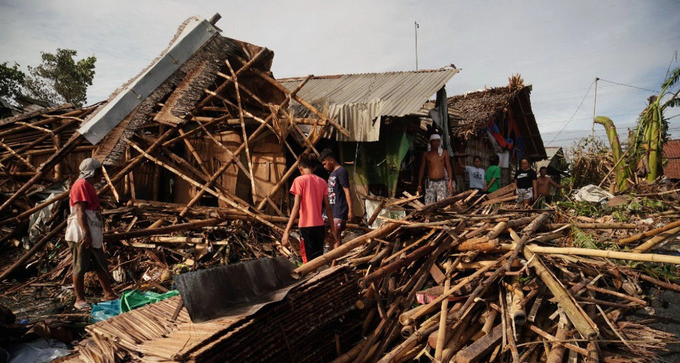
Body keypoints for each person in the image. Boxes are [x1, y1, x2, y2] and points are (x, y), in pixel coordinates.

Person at [65, 158, 116, 310]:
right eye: (100, 172)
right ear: (93, 172)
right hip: (81, 233)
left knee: (100, 264)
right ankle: (79, 300)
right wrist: (86, 233)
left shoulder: (88, 186)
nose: (101, 176)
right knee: (79, 266)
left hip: (91, 233)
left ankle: (108, 293)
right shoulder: (80, 185)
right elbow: (80, 211)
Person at [283, 153, 338, 264]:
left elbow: (296, 206)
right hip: (319, 227)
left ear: (300, 168)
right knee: (317, 261)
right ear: (314, 168)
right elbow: (328, 208)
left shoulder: (299, 181)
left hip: (305, 227)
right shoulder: (322, 182)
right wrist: (333, 230)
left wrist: (286, 231)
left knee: (307, 262)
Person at [319, 149, 353, 249]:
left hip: (339, 209)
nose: (324, 167)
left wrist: (350, 210)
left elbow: (347, 191)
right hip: (330, 210)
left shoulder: (341, 171)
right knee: (321, 227)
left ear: (331, 160)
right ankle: (333, 249)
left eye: (325, 164)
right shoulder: (332, 174)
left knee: (336, 235)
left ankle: (334, 262)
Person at [418, 134, 454, 204]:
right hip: (429, 181)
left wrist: (450, 181)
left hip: (441, 181)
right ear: (430, 142)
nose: (436, 143)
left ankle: (439, 215)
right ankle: (429, 215)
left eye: (438, 141)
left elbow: (448, 167)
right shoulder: (426, 154)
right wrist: (419, 183)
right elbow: (422, 168)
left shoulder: (444, 153)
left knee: (441, 202)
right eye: (434, 141)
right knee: (429, 202)